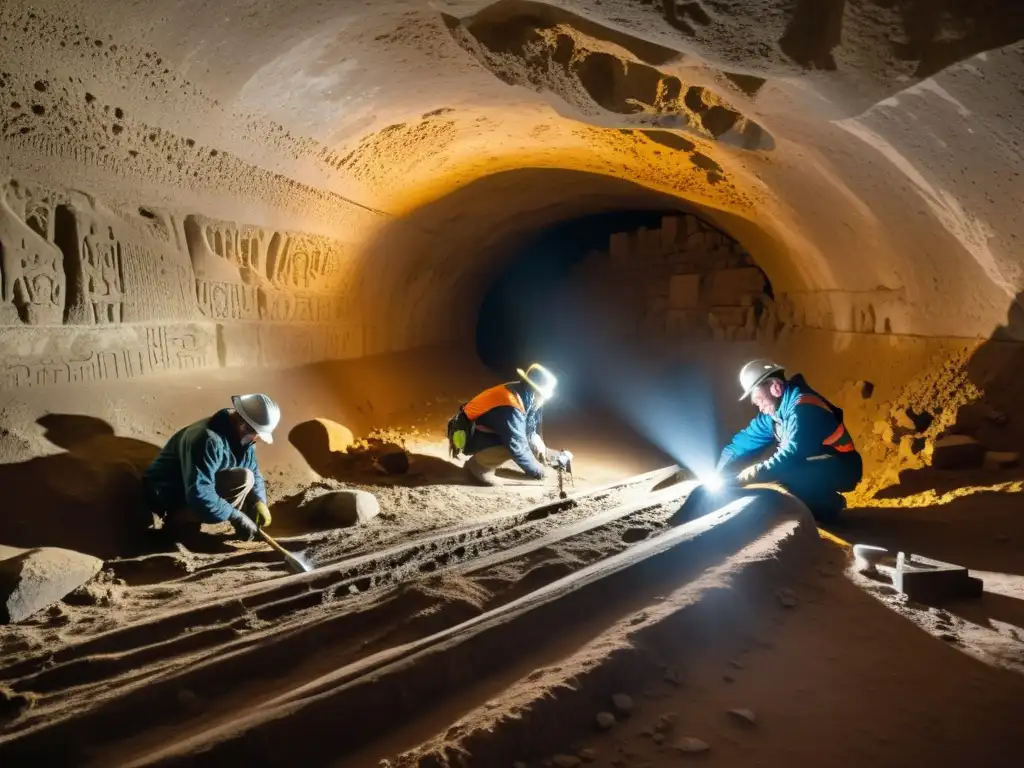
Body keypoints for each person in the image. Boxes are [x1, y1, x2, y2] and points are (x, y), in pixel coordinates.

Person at [716, 360, 862, 522]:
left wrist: (750, 474)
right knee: (782, 474)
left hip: (843, 465)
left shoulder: (804, 409)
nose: (758, 406)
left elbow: (790, 457)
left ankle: (828, 509)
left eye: (759, 400)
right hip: (818, 462)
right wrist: (719, 470)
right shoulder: (774, 413)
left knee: (786, 474)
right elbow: (744, 442)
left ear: (775, 387)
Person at [142, 394, 280, 541]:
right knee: (242, 481)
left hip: (190, 487)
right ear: (244, 425)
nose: (256, 438)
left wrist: (259, 501)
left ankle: (193, 515)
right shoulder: (208, 440)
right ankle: (179, 520)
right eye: (256, 434)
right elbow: (199, 492)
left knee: (247, 477)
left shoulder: (241, 437)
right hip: (166, 496)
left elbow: (253, 469)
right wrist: (235, 516)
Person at [447, 363, 558, 485]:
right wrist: (539, 472)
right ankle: (479, 467)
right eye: (543, 396)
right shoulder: (511, 404)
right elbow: (517, 445)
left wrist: (538, 445)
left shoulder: (523, 394)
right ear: (535, 391)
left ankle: (485, 459)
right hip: (466, 433)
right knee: (512, 444)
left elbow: (528, 427)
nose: (544, 400)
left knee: (522, 440)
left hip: (482, 428)